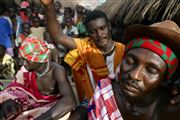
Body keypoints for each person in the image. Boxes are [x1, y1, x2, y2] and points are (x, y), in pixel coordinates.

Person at [88, 20, 180, 120]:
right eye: (130, 62)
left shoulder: (169, 109)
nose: (134, 75)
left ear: (163, 80)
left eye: (151, 70)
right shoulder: (105, 90)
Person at [41, 0, 125, 104]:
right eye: (93, 31)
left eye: (102, 28)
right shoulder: (85, 46)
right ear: (88, 33)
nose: (99, 34)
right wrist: (49, 6)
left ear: (109, 26)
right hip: (93, 102)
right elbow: (58, 36)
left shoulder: (124, 51)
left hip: (119, 103)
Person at [0, 35, 76, 120]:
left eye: (26, 59)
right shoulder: (25, 72)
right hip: (33, 106)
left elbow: (69, 100)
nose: (22, 63)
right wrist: (9, 100)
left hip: (50, 108)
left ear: (38, 59)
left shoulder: (57, 70)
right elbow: (14, 89)